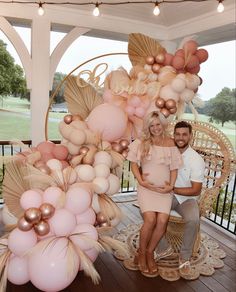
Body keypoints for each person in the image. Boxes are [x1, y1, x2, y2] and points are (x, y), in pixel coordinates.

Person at [127, 111, 182, 277]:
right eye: (152, 125)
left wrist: (171, 186)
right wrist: (141, 181)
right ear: (148, 127)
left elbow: (174, 169)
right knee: (150, 219)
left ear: (162, 124)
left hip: (164, 191)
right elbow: (134, 165)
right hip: (146, 189)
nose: (155, 128)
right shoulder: (141, 142)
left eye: (158, 124)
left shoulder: (170, 143)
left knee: (162, 221)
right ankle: (142, 253)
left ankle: (150, 252)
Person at [158, 120, 205, 276]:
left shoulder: (196, 159)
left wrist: (173, 189)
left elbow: (196, 190)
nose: (180, 137)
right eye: (177, 134)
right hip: (167, 194)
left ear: (190, 136)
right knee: (149, 211)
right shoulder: (168, 151)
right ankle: (164, 248)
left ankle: (184, 257)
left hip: (187, 199)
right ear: (174, 135)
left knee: (194, 219)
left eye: (184, 134)